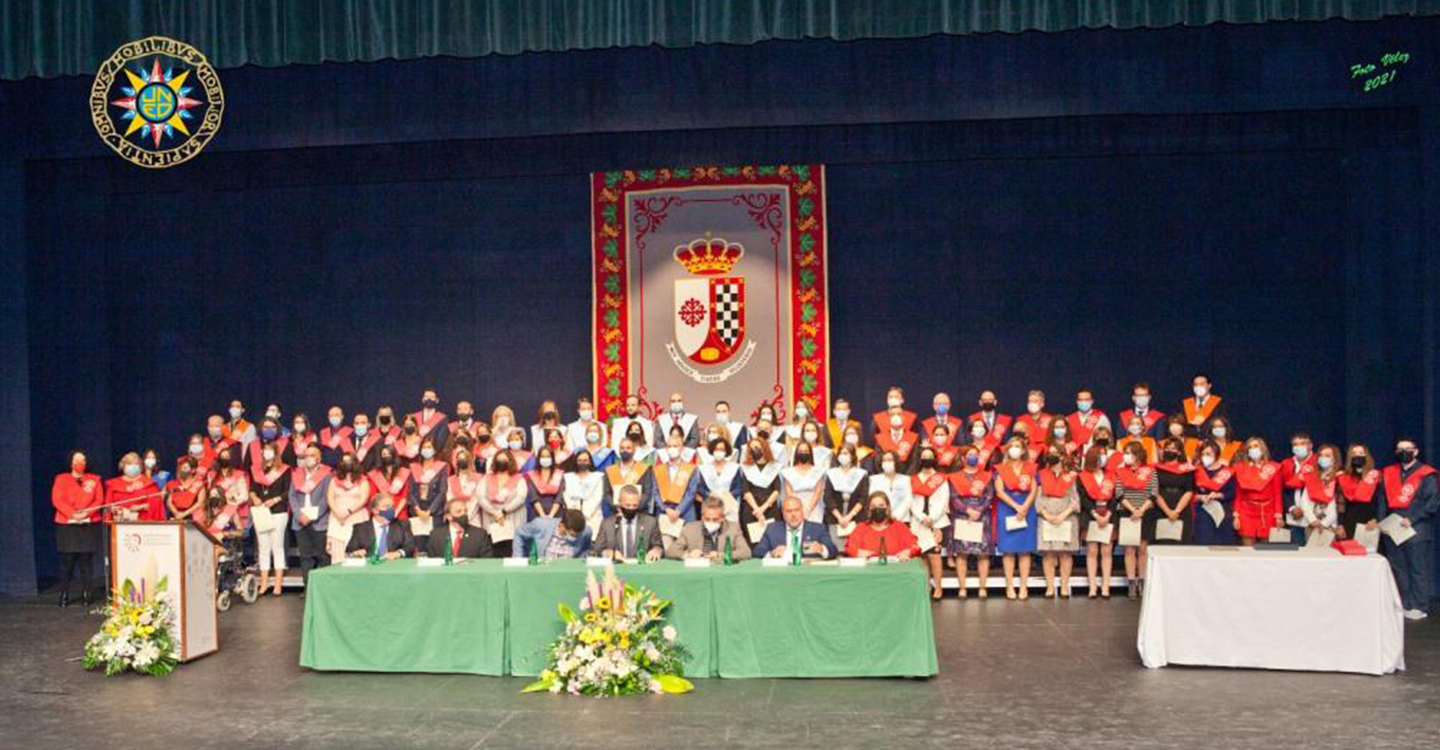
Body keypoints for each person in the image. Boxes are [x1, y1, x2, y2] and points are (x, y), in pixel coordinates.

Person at [1380, 438, 1437, 619]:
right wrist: (1381, 522)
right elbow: (1382, 500)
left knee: (1417, 568)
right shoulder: (1389, 472)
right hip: (1393, 528)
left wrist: (1412, 518)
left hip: (1416, 528)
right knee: (1399, 568)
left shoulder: (1426, 474)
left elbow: (1433, 502)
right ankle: (1404, 603)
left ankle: (1419, 605)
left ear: (1416, 451)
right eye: (1400, 449)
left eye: (1408, 449)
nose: (1404, 452)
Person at [52, 450, 103, 606]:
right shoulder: (61, 479)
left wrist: (86, 513)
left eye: (83, 460)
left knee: (86, 561)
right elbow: (56, 499)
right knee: (67, 561)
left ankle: (87, 594)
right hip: (66, 524)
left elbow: (99, 500)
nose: (81, 463)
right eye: (77, 460)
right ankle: (64, 594)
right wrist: (72, 514)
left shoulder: (94, 479)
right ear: (71, 462)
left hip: (88, 523)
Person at [994, 437, 1038, 600]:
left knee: (1025, 550)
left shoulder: (1031, 468)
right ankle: (1010, 586)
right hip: (1007, 508)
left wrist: (1024, 506)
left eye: (1018, 446)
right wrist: (1016, 507)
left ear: (1024, 450)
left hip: (1027, 508)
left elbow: (1034, 490)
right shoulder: (1000, 469)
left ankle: (1024, 587)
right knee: (1009, 550)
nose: (1014, 449)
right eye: (1011, 446)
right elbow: (999, 491)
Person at [1035, 446, 1081, 599]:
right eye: (1051, 453)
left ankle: (1064, 586)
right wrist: (1046, 514)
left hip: (1066, 517)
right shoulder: (1041, 475)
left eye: (1057, 453)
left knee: (1065, 553)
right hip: (1047, 517)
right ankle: (1049, 586)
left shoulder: (1071, 476)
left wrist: (1064, 515)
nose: (1053, 456)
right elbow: (1038, 498)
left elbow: (1075, 499)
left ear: (1063, 456)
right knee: (1048, 553)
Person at [249, 440, 291, 597]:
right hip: (261, 512)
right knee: (263, 547)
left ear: (276, 452)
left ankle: (278, 583)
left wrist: (274, 500)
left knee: (277, 546)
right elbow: (252, 489)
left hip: (278, 512)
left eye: (269, 450)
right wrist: (254, 497)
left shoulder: (284, 470)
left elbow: (288, 491)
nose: (266, 452)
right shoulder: (258, 471)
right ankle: (264, 583)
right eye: (264, 450)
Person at [1116, 441, 1157, 599]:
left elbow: (1154, 492)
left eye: (1130, 453)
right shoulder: (1120, 471)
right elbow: (1119, 494)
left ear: (1138, 455)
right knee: (1129, 550)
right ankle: (1131, 583)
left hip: (1145, 512)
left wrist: (1141, 510)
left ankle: (1142, 581)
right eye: (1125, 452)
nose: (1127, 456)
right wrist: (1133, 510)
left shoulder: (1150, 471)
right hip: (1127, 513)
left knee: (1142, 549)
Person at [288, 444, 333, 586]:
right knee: (305, 558)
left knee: (322, 557)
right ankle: (308, 588)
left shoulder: (327, 474)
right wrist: (298, 515)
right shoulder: (297, 474)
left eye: (312, 455)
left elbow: (326, 498)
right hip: (300, 521)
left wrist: (313, 516)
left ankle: (323, 588)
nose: (309, 458)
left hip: (319, 522)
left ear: (319, 458)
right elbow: (292, 496)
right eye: (306, 456)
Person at [1077, 446, 1117, 598]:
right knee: (1092, 551)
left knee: (1107, 552)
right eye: (1100, 455)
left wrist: (1108, 515)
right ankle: (1092, 586)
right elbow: (1083, 498)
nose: (1103, 457)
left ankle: (1106, 586)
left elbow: (1115, 496)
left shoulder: (1112, 475)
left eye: (1104, 455)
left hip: (1109, 515)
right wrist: (1095, 514)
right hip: (1090, 516)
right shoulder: (1083, 476)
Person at [910, 446, 949, 599]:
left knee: (935, 556)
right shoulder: (913, 478)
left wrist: (932, 517)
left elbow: (943, 500)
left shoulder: (940, 478)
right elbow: (911, 501)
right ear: (920, 459)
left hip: (936, 522)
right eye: (924, 456)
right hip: (918, 522)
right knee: (922, 556)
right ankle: (925, 587)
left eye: (930, 456)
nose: (927, 459)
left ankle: (938, 588)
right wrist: (921, 517)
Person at [666, 495, 753, 561]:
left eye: (715, 520)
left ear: (722, 518)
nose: (711, 522)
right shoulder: (690, 528)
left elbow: (746, 552)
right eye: (707, 519)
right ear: (702, 517)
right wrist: (688, 555)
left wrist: (720, 555)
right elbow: (671, 551)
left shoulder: (733, 528)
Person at [591, 485, 664, 561]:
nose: (631, 508)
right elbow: (597, 550)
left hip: (641, 567)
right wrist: (609, 553)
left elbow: (659, 546)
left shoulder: (650, 522)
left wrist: (656, 551)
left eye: (635, 505)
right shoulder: (607, 524)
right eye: (627, 505)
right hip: (617, 569)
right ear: (619, 503)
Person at [1233, 437, 1283, 547]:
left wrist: (1278, 515)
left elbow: (1277, 493)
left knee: (1266, 550)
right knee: (1247, 549)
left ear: (1262, 448)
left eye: (1256, 446)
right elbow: (1238, 494)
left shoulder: (1273, 467)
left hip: (1267, 512)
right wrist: (1236, 515)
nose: (1252, 449)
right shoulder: (1240, 468)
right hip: (1246, 512)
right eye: (1250, 447)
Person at [753, 496, 838, 559]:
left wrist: (822, 549)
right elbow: (758, 551)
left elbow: (833, 550)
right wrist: (772, 553)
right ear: (783, 514)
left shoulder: (818, 529)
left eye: (796, 510)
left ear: (802, 511)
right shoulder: (772, 529)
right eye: (789, 511)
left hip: (808, 574)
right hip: (781, 574)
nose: (793, 515)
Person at [478, 449, 528, 556]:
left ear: (510, 461)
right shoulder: (486, 478)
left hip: (513, 523)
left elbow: (521, 497)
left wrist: (504, 511)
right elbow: (481, 497)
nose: (501, 461)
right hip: (492, 523)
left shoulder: (519, 478)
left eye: (504, 459)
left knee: (512, 555)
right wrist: (495, 512)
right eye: (499, 459)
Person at [844, 492, 919, 561]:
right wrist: (857, 552)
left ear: (888, 508)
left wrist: (908, 552)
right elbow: (849, 547)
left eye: (881, 505)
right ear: (869, 510)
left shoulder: (899, 527)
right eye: (873, 506)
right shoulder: (861, 528)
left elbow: (915, 547)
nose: (877, 509)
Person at [325, 453, 371, 563]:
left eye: (349, 461)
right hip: (337, 518)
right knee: (338, 551)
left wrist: (348, 511)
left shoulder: (363, 480)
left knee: (357, 551)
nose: (347, 464)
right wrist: (338, 513)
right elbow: (330, 498)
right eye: (344, 462)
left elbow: (363, 499)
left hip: (356, 516)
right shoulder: (334, 480)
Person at [1192, 440, 1238, 545]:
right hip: (1202, 513)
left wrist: (1218, 495)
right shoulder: (1196, 471)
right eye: (1203, 454)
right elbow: (1190, 492)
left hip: (1223, 513)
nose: (1205, 456)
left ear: (1216, 454)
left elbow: (1232, 493)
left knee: (1223, 547)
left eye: (1208, 454)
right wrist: (1200, 497)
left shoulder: (1227, 472)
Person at [1293, 444, 1340, 544]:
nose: (1323, 458)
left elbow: (1337, 505)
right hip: (1311, 524)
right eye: (1321, 456)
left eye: (1327, 456)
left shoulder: (1339, 477)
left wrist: (1324, 523)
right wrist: (1312, 520)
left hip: (1330, 525)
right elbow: (1304, 501)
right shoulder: (1312, 477)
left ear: (1335, 459)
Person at [823, 443, 869, 547]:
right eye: (841, 453)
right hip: (835, 518)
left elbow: (863, 498)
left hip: (856, 518)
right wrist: (840, 518)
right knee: (836, 549)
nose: (842, 456)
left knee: (854, 548)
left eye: (846, 453)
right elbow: (827, 497)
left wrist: (849, 517)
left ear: (852, 456)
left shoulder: (862, 474)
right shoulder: (831, 473)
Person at [344, 494, 415, 560]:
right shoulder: (360, 528)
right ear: (375, 510)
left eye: (392, 506)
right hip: (369, 568)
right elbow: (350, 551)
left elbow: (410, 547)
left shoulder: (402, 525)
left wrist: (398, 553)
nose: (391, 509)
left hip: (394, 566)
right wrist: (356, 553)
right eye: (386, 506)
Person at [653, 433, 700, 530]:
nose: (672, 449)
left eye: (675, 446)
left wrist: (678, 510)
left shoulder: (690, 468)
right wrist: (666, 509)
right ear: (665, 449)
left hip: (686, 515)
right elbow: (655, 493)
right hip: (664, 515)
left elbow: (691, 493)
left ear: (682, 448)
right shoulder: (658, 469)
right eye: (669, 446)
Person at [1153, 437, 1195, 545]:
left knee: (1181, 544)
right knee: (1162, 543)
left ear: (1179, 452)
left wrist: (1176, 511)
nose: (1169, 450)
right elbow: (1155, 491)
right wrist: (1167, 511)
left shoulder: (1187, 469)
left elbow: (1189, 491)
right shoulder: (1157, 468)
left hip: (1181, 510)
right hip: (1161, 509)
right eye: (1167, 448)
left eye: (1173, 448)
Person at [1337, 443, 1381, 546]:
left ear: (1367, 456)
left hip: (1370, 521)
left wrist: (1377, 519)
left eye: (1361, 453)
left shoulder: (1376, 476)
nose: (1357, 456)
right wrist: (1340, 524)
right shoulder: (1343, 477)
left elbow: (1380, 501)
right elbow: (1341, 504)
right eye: (1354, 453)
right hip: (1350, 520)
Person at [740, 439, 782, 542]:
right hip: (751, 509)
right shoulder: (747, 467)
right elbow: (746, 491)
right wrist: (757, 510)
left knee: (772, 540)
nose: (755, 450)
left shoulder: (774, 466)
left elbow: (776, 490)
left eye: (758, 447)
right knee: (753, 541)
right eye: (752, 448)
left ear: (765, 448)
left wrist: (762, 509)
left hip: (770, 507)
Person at [409, 437, 449, 548]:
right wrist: (417, 510)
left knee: (435, 546)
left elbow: (442, 491)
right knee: (419, 545)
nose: (426, 450)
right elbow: (411, 492)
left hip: (435, 513)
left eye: (429, 447)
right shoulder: (414, 467)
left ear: (435, 450)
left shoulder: (442, 467)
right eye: (424, 447)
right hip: (417, 512)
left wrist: (430, 511)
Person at [1279, 432, 1318, 545]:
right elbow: (1281, 490)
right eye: (1295, 444)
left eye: (1302, 443)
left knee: (1316, 555)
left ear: (1310, 445)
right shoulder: (1286, 464)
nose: (1298, 447)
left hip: (1315, 515)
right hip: (1293, 516)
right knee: (1295, 553)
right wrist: (1291, 508)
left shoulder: (1318, 462)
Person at [694, 435, 742, 522]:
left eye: (722, 449)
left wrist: (728, 496)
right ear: (712, 450)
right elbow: (700, 487)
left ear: (726, 451)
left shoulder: (735, 467)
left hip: (729, 505)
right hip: (710, 504)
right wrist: (709, 494)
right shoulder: (704, 468)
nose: (718, 452)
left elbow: (738, 488)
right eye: (716, 449)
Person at [425, 497, 494, 558]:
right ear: (449, 516)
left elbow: (487, 562)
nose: (463, 514)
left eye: (465, 511)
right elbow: (431, 562)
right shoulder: (436, 535)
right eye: (459, 511)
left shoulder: (480, 535)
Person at [602, 437, 654, 517]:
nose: (625, 450)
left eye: (628, 448)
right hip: (616, 514)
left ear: (634, 450)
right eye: (622, 448)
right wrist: (619, 508)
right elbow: (607, 494)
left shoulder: (644, 469)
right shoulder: (610, 470)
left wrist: (632, 508)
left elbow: (646, 494)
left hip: (638, 514)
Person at [104, 452, 163, 522]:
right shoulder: (113, 484)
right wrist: (114, 509)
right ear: (123, 466)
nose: (132, 466)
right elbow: (108, 506)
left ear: (140, 467)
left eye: (136, 464)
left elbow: (156, 505)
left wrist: (140, 507)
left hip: (143, 524)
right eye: (129, 464)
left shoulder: (148, 483)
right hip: (120, 524)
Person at [514, 508, 592, 559]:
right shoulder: (541, 524)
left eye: (578, 535)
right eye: (572, 535)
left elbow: (586, 549)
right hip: (544, 569)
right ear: (561, 526)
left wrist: (580, 561)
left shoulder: (586, 532)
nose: (576, 538)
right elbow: (519, 534)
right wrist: (519, 558)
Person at [781, 441, 827, 525]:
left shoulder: (818, 471)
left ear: (810, 453)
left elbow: (818, 492)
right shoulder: (788, 472)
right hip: (794, 507)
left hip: (814, 507)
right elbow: (789, 493)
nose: (803, 453)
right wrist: (797, 509)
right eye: (801, 451)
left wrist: (808, 510)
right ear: (796, 453)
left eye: (806, 451)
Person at [562, 450, 607, 533]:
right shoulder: (568, 477)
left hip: (592, 517)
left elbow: (597, 496)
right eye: (580, 460)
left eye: (585, 460)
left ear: (590, 462)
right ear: (575, 461)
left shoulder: (598, 477)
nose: (582, 463)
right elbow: (566, 495)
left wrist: (584, 514)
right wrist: (575, 513)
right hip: (572, 516)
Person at [867, 449, 914, 525]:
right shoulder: (874, 479)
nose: (886, 462)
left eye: (889, 460)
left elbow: (908, 500)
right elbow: (872, 499)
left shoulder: (905, 479)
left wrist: (896, 516)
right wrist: (885, 516)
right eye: (884, 460)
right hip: (880, 520)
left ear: (895, 462)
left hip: (901, 520)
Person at [875, 406, 920, 473]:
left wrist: (906, 479)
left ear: (903, 417)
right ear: (889, 418)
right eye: (892, 415)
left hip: (907, 479)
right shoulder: (880, 438)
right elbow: (878, 461)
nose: (896, 417)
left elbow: (915, 462)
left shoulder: (913, 437)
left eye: (899, 414)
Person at [1180, 373, 1226, 439]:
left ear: (1209, 386)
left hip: (1211, 443)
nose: (1198, 387)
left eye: (1202, 384)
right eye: (1195, 385)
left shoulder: (1220, 404)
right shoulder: (1185, 403)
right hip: (1190, 443)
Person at [525, 445, 565, 520]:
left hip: (556, 513)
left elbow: (560, 496)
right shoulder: (532, 475)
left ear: (552, 458)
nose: (545, 459)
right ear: (538, 458)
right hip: (537, 514)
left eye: (548, 456)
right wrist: (543, 516)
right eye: (543, 457)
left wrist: (551, 516)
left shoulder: (559, 474)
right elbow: (534, 497)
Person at [408, 389, 450, 455]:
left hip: (433, 454)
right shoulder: (414, 416)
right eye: (426, 397)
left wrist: (430, 452)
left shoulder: (443, 418)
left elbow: (441, 440)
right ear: (422, 399)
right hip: (414, 454)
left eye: (432, 397)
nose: (429, 399)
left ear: (437, 400)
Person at [1014, 390, 1054, 457]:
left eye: (1035, 401)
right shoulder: (1021, 420)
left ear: (1042, 404)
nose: (1032, 404)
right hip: (1027, 454)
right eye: (1030, 401)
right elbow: (1017, 440)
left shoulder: (1050, 419)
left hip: (1046, 454)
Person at [165, 457, 205, 523]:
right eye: (181, 468)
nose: (182, 470)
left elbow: (200, 503)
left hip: (191, 517)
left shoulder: (199, 484)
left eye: (185, 468)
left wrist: (184, 514)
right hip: (174, 516)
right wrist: (176, 513)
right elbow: (169, 501)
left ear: (193, 470)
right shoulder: (173, 483)